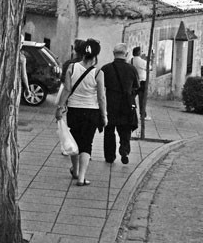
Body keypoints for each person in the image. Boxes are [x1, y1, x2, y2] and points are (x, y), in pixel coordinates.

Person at [55, 39, 107, 186]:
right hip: (92, 112)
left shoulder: (72, 67)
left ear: (83, 52)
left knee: (75, 141)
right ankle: (81, 177)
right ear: (96, 55)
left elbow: (66, 89)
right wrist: (104, 116)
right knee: (87, 144)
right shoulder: (98, 73)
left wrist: (59, 108)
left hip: (74, 110)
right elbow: (101, 97)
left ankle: (75, 170)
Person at [101, 43, 140, 164]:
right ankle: (124, 150)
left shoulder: (106, 69)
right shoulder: (131, 69)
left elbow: (100, 87)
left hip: (110, 104)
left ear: (113, 54)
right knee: (125, 130)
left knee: (109, 131)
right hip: (126, 105)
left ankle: (109, 156)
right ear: (126, 54)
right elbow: (137, 86)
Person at [130, 46, 149, 121]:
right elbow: (149, 68)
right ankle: (142, 114)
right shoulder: (143, 62)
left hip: (133, 82)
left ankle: (130, 111)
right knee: (142, 100)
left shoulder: (130, 60)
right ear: (138, 52)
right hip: (142, 82)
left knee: (131, 98)